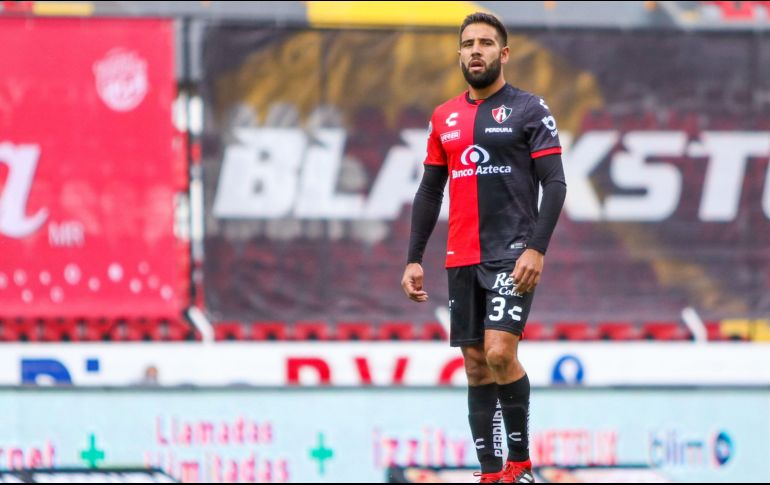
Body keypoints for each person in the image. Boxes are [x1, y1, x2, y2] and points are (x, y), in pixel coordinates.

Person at [401, 12, 567, 483]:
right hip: (461, 257)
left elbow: (554, 185)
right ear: (459, 53)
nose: (476, 50)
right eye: (468, 43)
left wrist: (536, 249)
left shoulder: (530, 109)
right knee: (475, 366)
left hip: (511, 254)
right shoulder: (443, 117)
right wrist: (414, 257)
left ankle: (521, 465)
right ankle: (491, 472)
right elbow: (430, 191)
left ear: (503, 53)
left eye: (486, 43)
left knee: (498, 352)